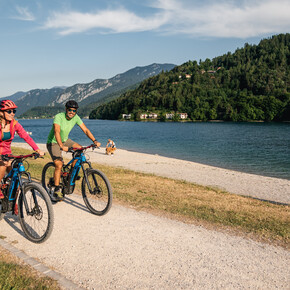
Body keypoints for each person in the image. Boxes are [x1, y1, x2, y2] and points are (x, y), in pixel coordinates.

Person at [46, 100, 101, 201]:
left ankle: (70, 176)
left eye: (74, 110)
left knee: (80, 149)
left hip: (65, 140)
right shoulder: (59, 117)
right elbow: (57, 131)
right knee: (59, 164)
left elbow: (85, 130)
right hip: (53, 142)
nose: (72, 112)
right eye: (70, 110)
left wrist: (94, 140)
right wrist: (61, 146)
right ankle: (57, 189)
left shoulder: (76, 117)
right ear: (66, 109)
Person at [0, 100, 44, 200]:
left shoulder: (14, 124)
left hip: (8, 154)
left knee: (16, 177)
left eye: (14, 111)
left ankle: (14, 202)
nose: (12, 114)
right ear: (1, 113)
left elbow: (26, 137)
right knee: (2, 166)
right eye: (9, 111)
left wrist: (37, 149)